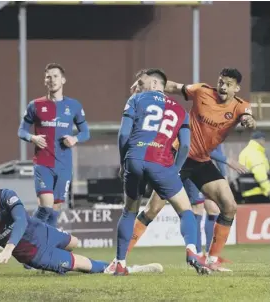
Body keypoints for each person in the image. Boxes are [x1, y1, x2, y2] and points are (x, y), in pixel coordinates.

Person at [126, 68, 256, 272]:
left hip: (202, 162)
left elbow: (249, 118)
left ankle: (212, 260)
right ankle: (121, 259)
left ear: (236, 88)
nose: (222, 86)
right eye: (221, 82)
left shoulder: (241, 106)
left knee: (229, 206)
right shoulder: (202, 91)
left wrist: (249, 121)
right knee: (153, 209)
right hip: (177, 156)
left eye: (228, 84)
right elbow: (174, 87)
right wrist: (148, 87)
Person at [0, 170, 163, 278]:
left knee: (75, 242)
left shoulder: (7, 195)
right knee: (83, 264)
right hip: (36, 254)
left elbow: (20, 220)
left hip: (41, 231)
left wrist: (8, 248)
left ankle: (54, 262)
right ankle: (126, 269)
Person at [112, 68, 209, 276]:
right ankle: (192, 251)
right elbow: (184, 146)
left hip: (135, 160)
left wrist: (123, 163)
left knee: (129, 211)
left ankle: (120, 263)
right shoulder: (181, 111)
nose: (138, 87)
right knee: (185, 211)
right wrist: (174, 170)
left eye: (141, 83)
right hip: (162, 164)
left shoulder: (135, 100)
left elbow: (123, 135)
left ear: (156, 84)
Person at [18, 63, 90, 228]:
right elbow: (21, 131)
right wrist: (32, 137)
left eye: (55, 76)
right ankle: (26, 236)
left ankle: (45, 243)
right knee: (46, 205)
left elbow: (85, 132)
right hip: (43, 163)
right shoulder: (34, 105)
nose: (52, 80)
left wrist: (75, 139)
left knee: (55, 208)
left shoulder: (74, 106)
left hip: (64, 164)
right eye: (48, 77)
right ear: (45, 81)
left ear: (63, 80)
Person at [238, 131, 270, 204]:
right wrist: (268, 188)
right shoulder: (255, 153)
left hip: (248, 192)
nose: (264, 142)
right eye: (264, 140)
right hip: (259, 192)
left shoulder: (245, 152)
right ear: (261, 140)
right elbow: (260, 173)